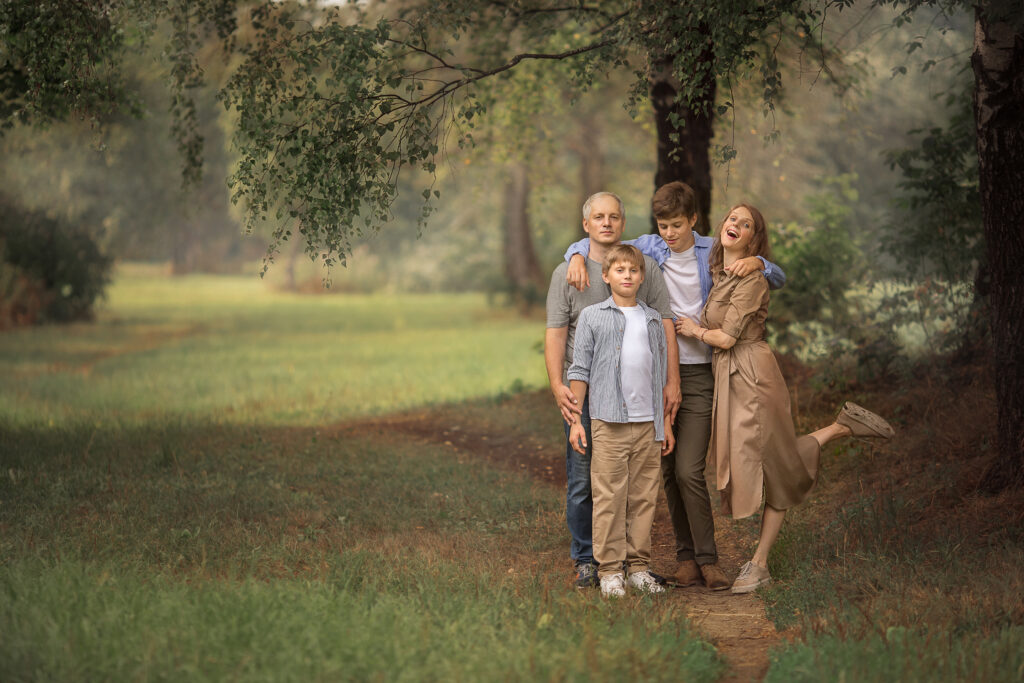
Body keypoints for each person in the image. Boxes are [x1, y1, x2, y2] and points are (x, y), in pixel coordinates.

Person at [561, 181, 786, 590]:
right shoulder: (649, 247)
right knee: (664, 471)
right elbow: (604, 242)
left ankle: (708, 558)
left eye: (677, 225)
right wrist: (575, 254)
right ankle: (684, 559)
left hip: (702, 371)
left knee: (688, 470)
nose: (669, 233)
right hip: (658, 371)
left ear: (694, 221)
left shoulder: (713, 251)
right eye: (663, 225)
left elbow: (775, 275)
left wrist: (761, 265)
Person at [675, 203, 894, 594]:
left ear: (754, 238)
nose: (736, 225)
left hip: (752, 375)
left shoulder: (753, 279)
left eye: (747, 225)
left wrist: (693, 329)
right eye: (733, 219)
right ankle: (841, 427)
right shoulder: (717, 269)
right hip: (729, 375)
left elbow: (725, 338)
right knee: (770, 460)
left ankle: (759, 564)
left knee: (770, 466)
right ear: (722, 224)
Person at [544, 191, 678, 589]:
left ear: (623, 223)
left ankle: (632, 564)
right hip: (584, 388)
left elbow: (664, 324)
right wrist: (556, 385)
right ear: (586, 225)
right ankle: (589, 558)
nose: (606, 223)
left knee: (636, 484)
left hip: (637, 395)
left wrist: (673, 381)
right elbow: (556, 332)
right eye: (598, 217)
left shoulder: (640, 266)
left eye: (614, 217)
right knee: (586, 478)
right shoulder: (567, 272)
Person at [566, 244, 675, 597]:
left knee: (644, 497)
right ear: (607, 276)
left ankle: (638, 567)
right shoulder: (593, 317)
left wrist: (665, 425)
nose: (627, 276)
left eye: (633, 270)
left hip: (648, 424)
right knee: (609, 497)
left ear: (642, 277)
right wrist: (576, 421)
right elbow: (579, 368)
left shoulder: (653, 319)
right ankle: (611, 570)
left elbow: (659, 374)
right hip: (609, 421)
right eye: (620, 270)